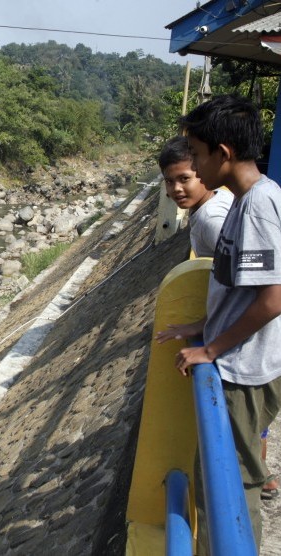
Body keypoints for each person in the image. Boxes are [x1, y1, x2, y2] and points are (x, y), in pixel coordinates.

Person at [155, 95, 281, 552]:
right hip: (236, 358)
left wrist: (211, 347)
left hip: (246, 369)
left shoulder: (259, 206)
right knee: (219, 474)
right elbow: (240, 287)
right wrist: (203, 324)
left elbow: (273, 297)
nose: (195, 167)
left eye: (198, 154)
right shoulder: (246, 201)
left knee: (231, 486)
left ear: (222, 153)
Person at [159, 136, 234, 258]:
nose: (176, 188)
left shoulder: (210, 221)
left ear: (202, 171)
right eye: (169, 181)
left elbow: (242, 266)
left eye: (184, 178)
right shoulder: (219, 194)